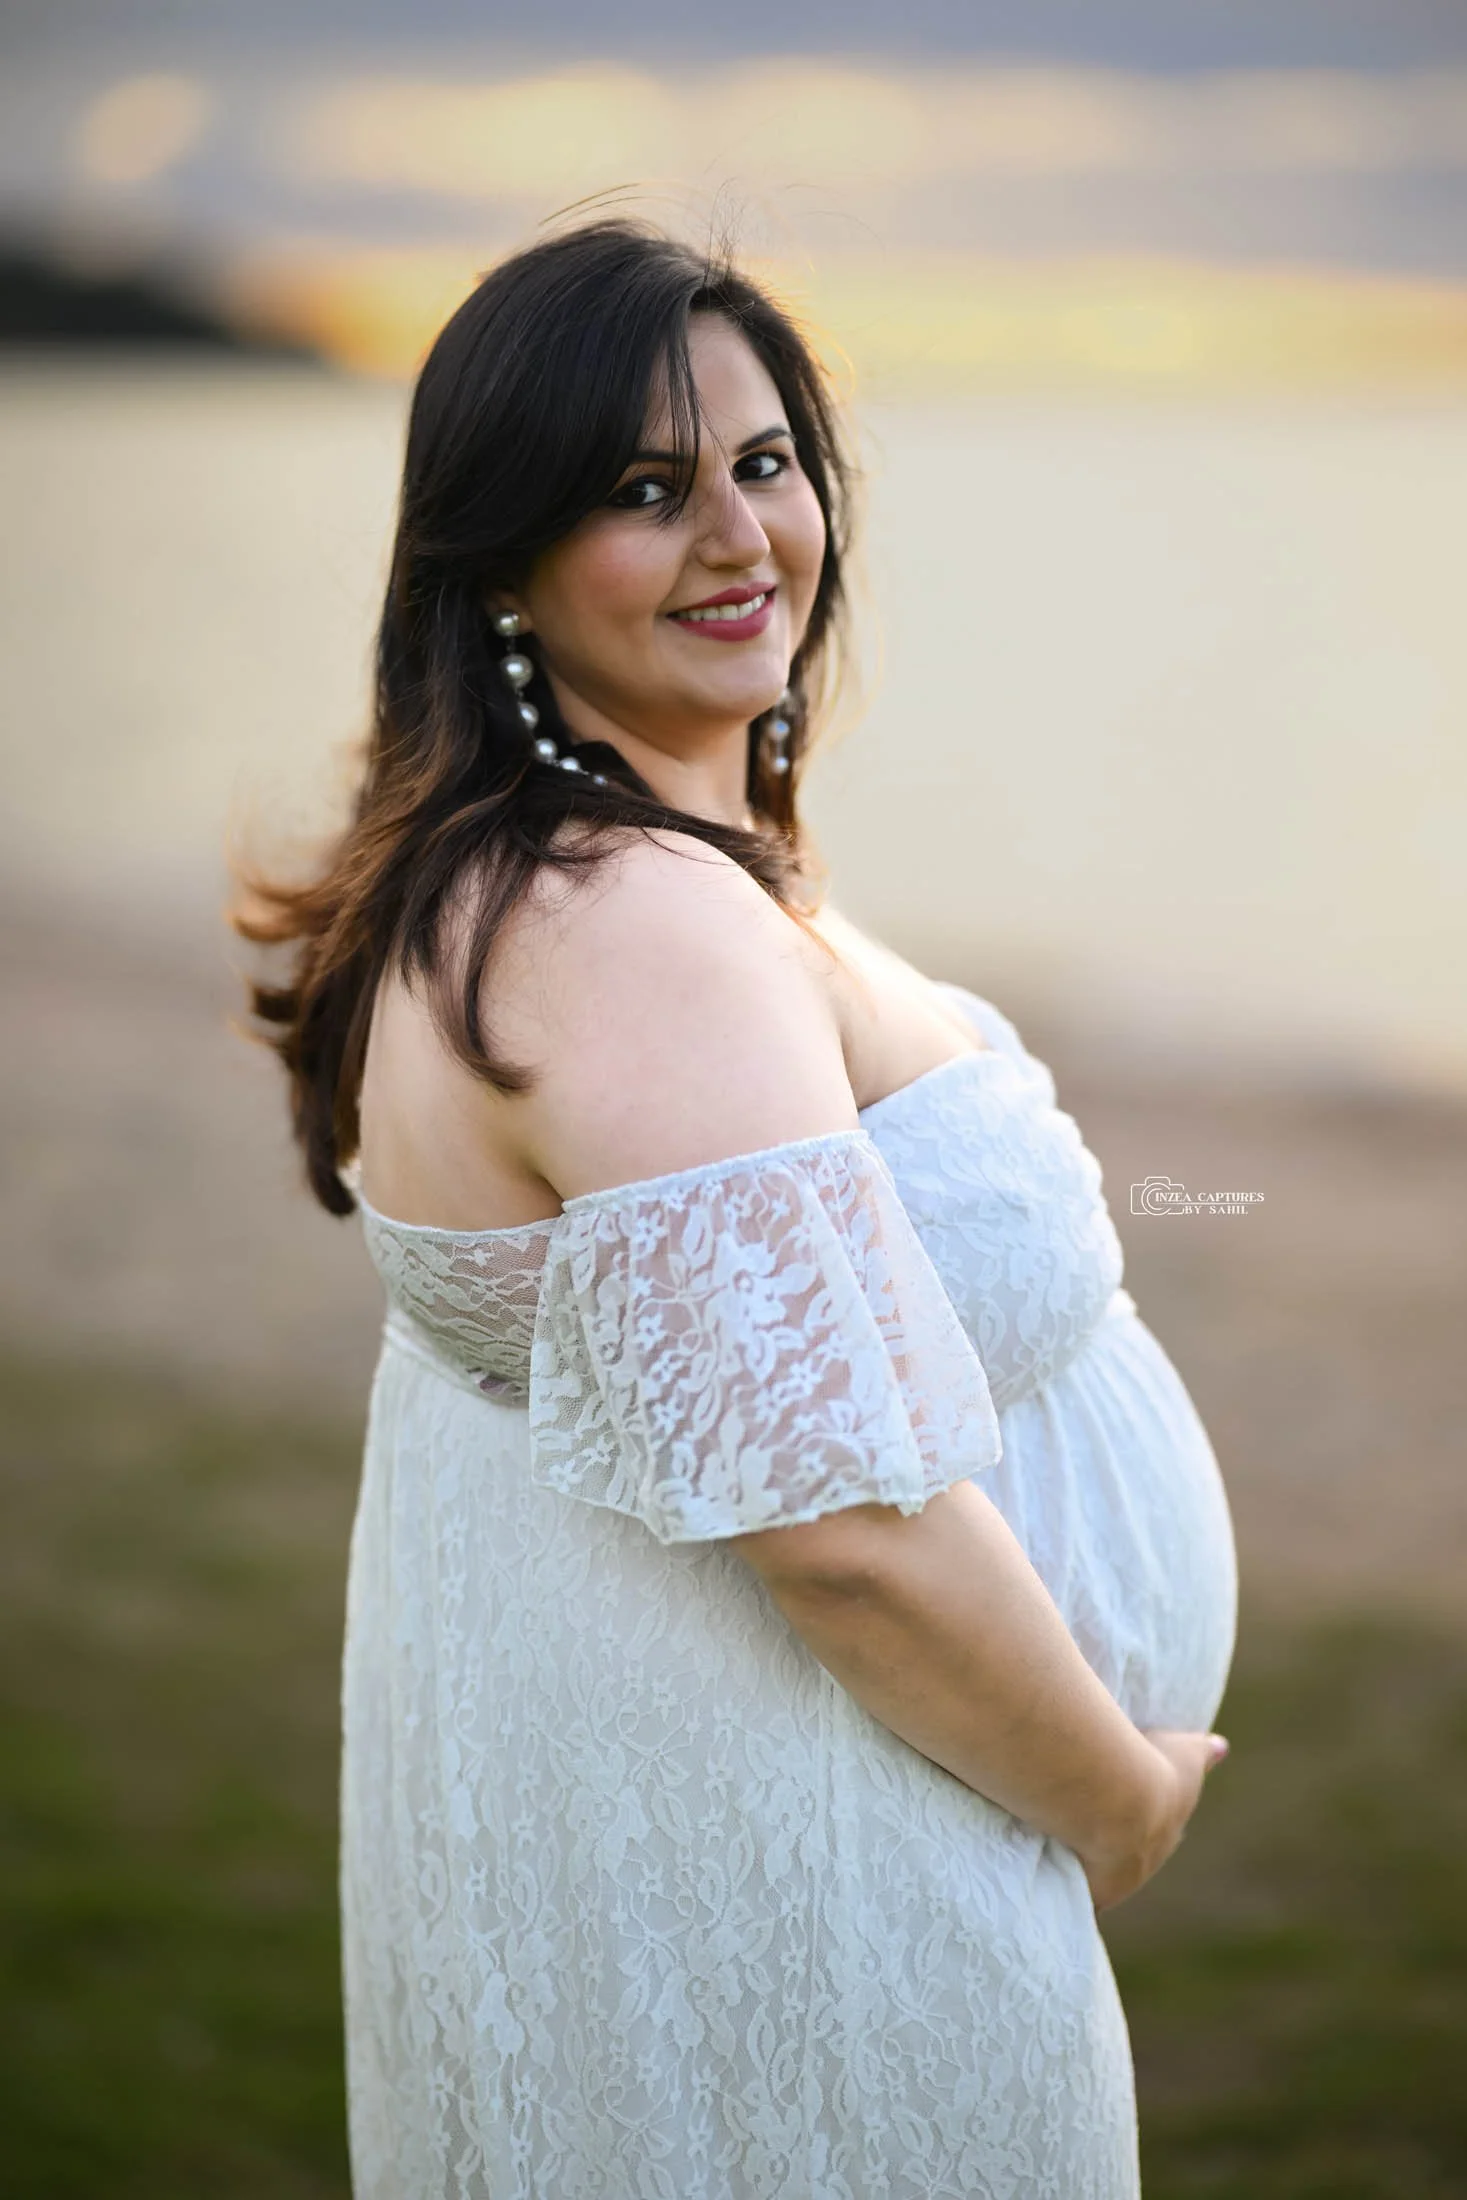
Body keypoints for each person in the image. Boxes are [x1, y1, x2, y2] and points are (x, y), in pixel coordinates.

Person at [235, 217, 1237, 2199]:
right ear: (500, 554)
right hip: (814, 1898)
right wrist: (1112, 1799)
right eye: (640, 487)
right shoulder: (617, 925)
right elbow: (843, 1524)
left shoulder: (619, 876)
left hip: (747, 1833)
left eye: (763, 462)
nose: (733, 533)